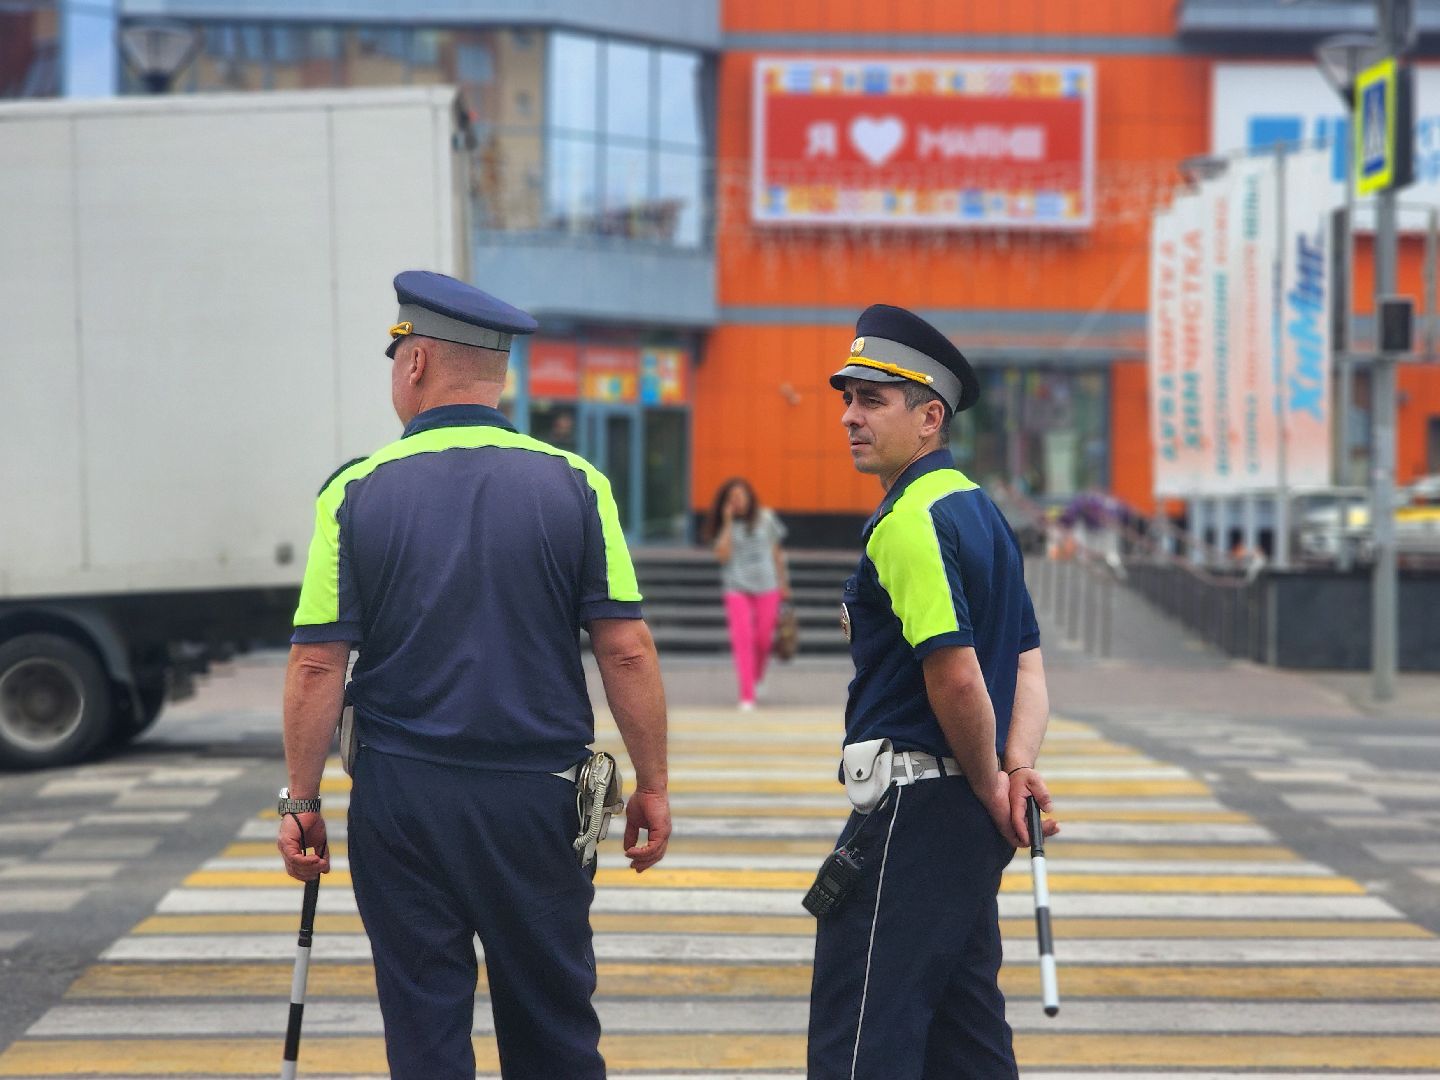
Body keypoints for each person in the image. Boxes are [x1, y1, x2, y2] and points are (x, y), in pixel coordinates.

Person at [276, 270, 671, 1080]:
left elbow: (317, 662)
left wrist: (302, 801)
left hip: (404, 800)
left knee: (425, 1032)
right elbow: (626, 649)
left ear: (416, 362)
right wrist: (653, 784)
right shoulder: (577, 484)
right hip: (537, 801)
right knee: (554, 1031)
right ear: (499, 375)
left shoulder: (354, 491)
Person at [807, 304, 1060, 1079]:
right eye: (848, 399)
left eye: (871, 401)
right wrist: (1016, 767)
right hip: (964, 818)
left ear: (929, 418)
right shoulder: (981, 512)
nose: (850, 417)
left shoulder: (909, 520)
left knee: (862, 1041)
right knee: (965, 1039)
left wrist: (992, 783)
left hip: (914, 812)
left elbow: (954, 673)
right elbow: (1027, 666)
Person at [706, 477, 789, 709]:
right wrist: (727, 522)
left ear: (749, 497)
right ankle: (747, 695)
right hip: (736, 587)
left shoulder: (766, 518)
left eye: (741, 496)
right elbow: (722, 556)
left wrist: (783, 583)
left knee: (763, 639)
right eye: (732, 498)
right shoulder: (724, 526)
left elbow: (776, 553)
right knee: (743, 640)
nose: (738, 501)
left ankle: (757, 677)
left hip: (767, 585)